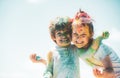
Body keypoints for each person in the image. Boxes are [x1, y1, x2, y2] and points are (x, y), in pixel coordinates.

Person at [72, 10, 120, 78]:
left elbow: (110, 71)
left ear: (91, 34)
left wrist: (102, 75)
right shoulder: (79, 50)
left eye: (83, 35)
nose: (78, 39)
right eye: (75, 34)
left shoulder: (99, 49)